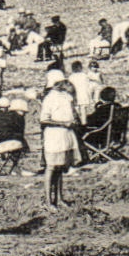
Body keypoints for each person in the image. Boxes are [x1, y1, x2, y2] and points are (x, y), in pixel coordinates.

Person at [39, 72, 79, 208]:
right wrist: (63, 124)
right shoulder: (49, 99)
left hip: (65, 136)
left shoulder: (66, 97)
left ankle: (59, 198)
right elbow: (44, 120)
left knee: (60, 168)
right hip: (54, 136)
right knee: (51, 168)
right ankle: (48, 201)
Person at [0, 97, 29, 175]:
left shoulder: (0, 118)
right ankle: (15, 168)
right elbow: (20, 134)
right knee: (18, 144)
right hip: (13, 144)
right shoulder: (19, 119)